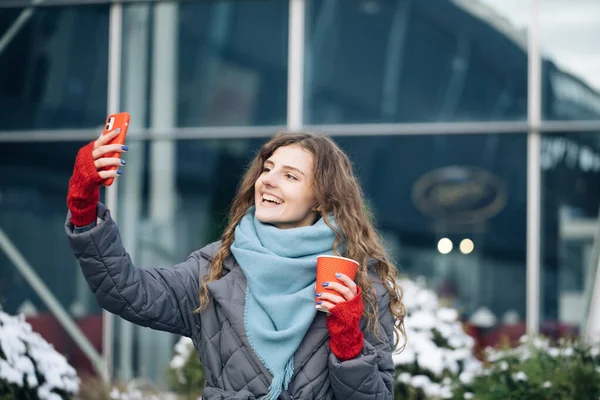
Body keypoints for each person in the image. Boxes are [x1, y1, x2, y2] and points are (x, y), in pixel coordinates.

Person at [65, 129, 406, 400]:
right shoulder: (217, 267)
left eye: (290, 176)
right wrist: (84, 208)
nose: (268, 180)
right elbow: (126, 291)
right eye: (268, 169)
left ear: (321, 199)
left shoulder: (360, 282)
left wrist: (349, 345)